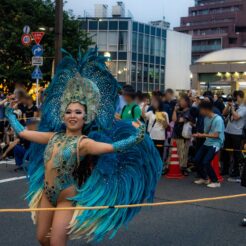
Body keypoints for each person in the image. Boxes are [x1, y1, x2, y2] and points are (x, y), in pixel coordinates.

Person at [4, 49, 162, 245]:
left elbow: (112, 148)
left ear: (85, 117)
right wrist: (10, 114)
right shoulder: (54, 136)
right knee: (42, 238)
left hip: (66, 198)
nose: (72, 115)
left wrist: (136, 137)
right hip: (47, 194)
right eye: (69, 111)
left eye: (78, 112)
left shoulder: (84, 143)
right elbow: (24, 133)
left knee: (56, 242)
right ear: (63, 115)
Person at [193, 101, 225, 188]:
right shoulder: (206, 118)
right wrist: (199, 135)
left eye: (201, 110)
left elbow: (216, 135)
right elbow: (206, 132)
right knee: (196, 159)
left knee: (206, 161)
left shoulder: (218, 119)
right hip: (208, 142)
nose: (200, 112)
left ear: (206, 109)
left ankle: (215, 181)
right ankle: (204, 178)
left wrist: (202, 135)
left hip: (216, 143)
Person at [222, 90, 246, 181]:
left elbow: (236, 117)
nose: (235, 99)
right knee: (225, 151)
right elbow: (223, 113)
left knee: (236, 153)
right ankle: (225, 169)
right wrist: (228, 106)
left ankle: (236, 171)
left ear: (241, 97)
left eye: (237, 97)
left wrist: (232, 108)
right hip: (228, 131)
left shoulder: (244, 108)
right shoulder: (234, 105)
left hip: (237, 133)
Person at [142, 94, 169, 159]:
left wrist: (164, 118)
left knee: (159, 154)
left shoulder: (164, 113)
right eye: (153, 102)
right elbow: (143, 116)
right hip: (151, 137)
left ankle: (159, 167)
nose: (154, 103)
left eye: (155, 102)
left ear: (159, 103)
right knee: (151, 154)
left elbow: (166, 126)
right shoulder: (151, 113)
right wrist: (144, 106)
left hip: (160, 137)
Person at [171, 95, 192, 175]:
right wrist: (174, 110)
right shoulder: (178, 110)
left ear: (186, 102)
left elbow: (179, 120)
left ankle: (183, 168)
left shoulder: (189, 111)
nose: (180, 102)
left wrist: (176, 114)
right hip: (175, 134)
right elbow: (174, 120)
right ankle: (170, 167)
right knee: (172, 152)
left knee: (183, 152)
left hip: (183, 135)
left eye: (181, 101)